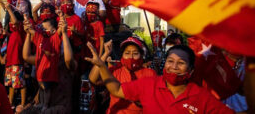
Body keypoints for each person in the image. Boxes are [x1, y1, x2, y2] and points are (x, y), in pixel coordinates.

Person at [85, 45, 235, 113]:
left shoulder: (200, 96)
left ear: (191, 70)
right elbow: (116, 89)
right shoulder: (149, 85)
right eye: (170, 61)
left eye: (181, 63)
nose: (174, 66)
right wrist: (101, 65)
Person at [89, 37, 156, 114]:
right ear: (122, 55)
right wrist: (105, 54)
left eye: (135, 53)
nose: (131, 57)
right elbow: (93, 80)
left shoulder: (150, 74)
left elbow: (152, 102)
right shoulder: (115, 71)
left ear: (141, 55)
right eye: (127, 53)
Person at [4, 0, 32, 109]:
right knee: (11, 84)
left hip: (17, 60)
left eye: (11, 19)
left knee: (21, 83)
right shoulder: (13, 32)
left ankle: (23, 103)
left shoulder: (20, 27)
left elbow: (15, 21)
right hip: (11, 61)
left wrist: (9, 10)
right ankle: (10, 103)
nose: (10, 21)